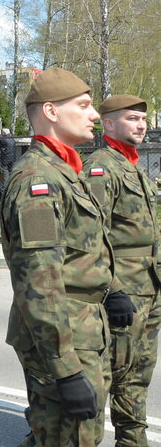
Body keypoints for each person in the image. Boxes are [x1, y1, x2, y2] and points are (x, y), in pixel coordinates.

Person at [0, 67, 134, 447]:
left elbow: (85, 248)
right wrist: (66, 370)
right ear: (52, 112)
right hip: (64, 338)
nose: (94, 115)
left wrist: (112, 288)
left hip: (84, 328)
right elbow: (38, 282)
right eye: (85, 105)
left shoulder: (65, 170)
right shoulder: (36, 180)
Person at [82, 94, 159, 447]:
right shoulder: (101, 167)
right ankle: (63, 435)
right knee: (111, 371)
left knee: (139, 370)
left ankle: (132, 439)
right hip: (124, 290)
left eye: (142, 119)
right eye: (131, 119)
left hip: (149, 285)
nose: (140, 125)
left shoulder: (132, 165)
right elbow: (90, 238)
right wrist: (113, 290)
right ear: (108, 124)